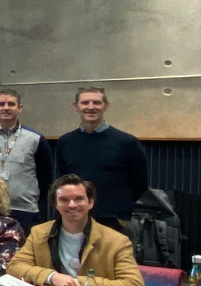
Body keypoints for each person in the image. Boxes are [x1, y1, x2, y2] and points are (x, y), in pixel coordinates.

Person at [7, 175, 145, 286]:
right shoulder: (39, 233)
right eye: (64, 200)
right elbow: (14, 266)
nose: (72, 205)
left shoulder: (117, 241)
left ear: (91, 203)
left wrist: (77, 284)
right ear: (55, 205)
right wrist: (52, 277)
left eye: (79, 199)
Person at [55, 87, 148, 233]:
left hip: (116, 220)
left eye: (96, 102)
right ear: (76, 106)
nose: (91, 107)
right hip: (76, 218)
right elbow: (64, 179)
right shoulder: (65, 142)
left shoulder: (127, 142)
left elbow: (140, 183)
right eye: (85, 102)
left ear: (106, 106)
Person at [0, 89, 53, 234]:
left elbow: (45, 176)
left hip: (24, 209)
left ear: (20, 108)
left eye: (11, 104)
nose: (6, 108)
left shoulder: (35, 139)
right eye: (1, 104)